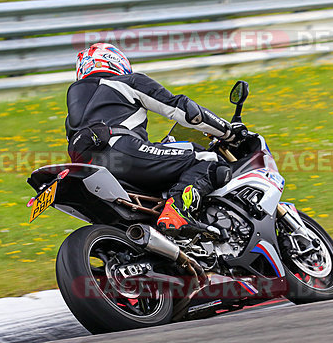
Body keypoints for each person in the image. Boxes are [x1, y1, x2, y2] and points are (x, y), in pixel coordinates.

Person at [65, 43, 244, 234]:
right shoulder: (126, 82)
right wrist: (227, 131)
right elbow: (185, 110)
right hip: (122, 151)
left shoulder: (73, 109)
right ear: (115, 61)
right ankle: (177, 212)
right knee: (207, 159)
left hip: (89, 166)